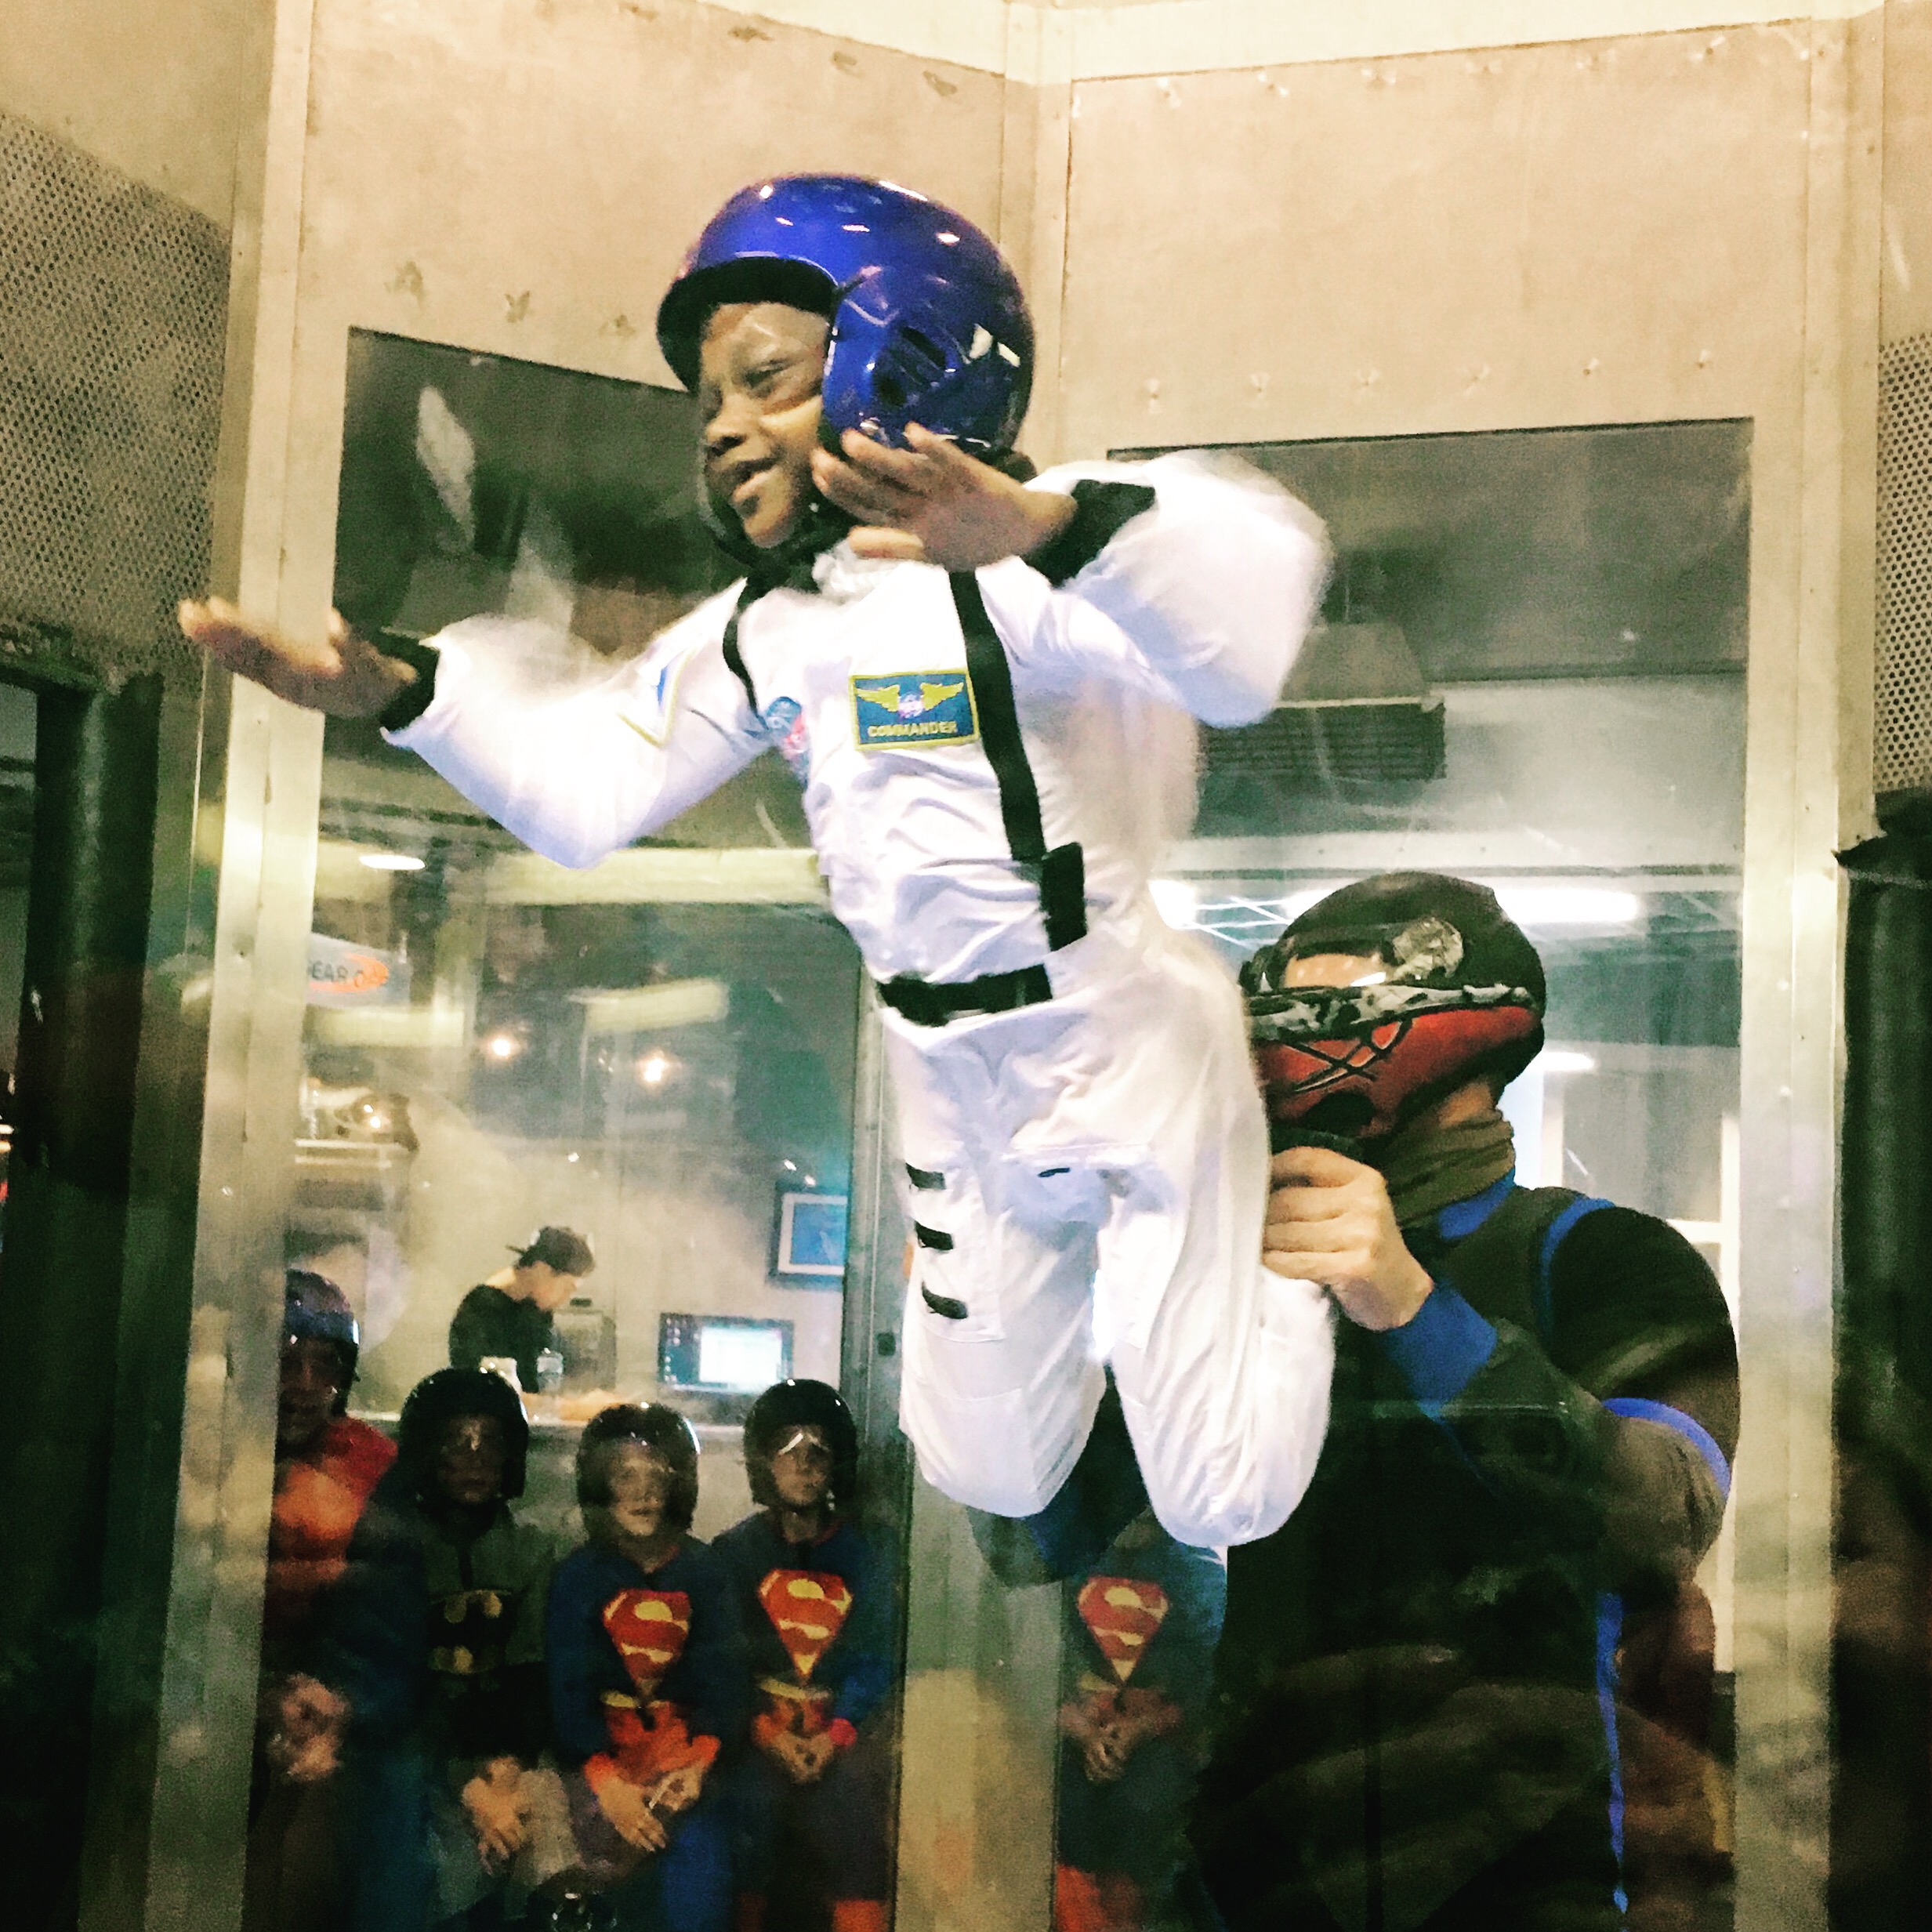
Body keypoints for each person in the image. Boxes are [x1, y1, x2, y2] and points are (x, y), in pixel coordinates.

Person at [179, 172, 1336, 1550]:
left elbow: (1244, 631)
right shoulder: (772, 625)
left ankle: (1295, 1256)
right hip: (945, 1071)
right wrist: (400, 692)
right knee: (993, 1468)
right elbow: (591, 780)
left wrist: (1039, 532)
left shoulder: (1048, 550)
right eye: (709, 401)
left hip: (1119, 1036)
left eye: (765, 378)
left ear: (899, 351)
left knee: (1221, 1491)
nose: (723, 425)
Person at [1181, 872, 1741, 1932]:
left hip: (1535, 1870)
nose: (1290, 1048)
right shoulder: (1238, 1275)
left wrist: (1410, 1306)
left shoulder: (1600, 1255)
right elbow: (1042, 1534)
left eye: (1328, 1014)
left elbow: (1662, 1520)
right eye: (1279, 1016)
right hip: (1261, 1865)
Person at [288, 1368, 571, 1931]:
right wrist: (469, 1787)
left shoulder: (532, 1551)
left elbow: (531, 1674)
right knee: (401, 1813)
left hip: (501, 1747)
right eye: (456, 1442)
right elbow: (385, 1678)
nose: (474, 1460)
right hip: (409, 1738)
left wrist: (504, 1772)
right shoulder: (395, 1540)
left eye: (489, 1442)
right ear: (426, 1452)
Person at [546, 1405, 748, 1932]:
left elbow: (725, 1681)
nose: (643, 1493)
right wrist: (606, 1784)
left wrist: (698, 1764)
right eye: (624, 1476)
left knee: (701, 1876)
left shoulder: (706, 1572)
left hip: (683, 1764)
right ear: (600, 1485)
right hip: (599, 1766)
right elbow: (566, 1691)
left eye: (657, 1476)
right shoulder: (578, 1575)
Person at [243, 1272, 397, 1932]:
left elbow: (393, 1610)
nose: (305, 1383)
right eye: (286, 1360)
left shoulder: (372, 1462)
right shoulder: (202, 1445)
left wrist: (345, 1696)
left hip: (332, 1686)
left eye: (325, 1364)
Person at [712, 1380, 894, 1932]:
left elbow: (876, 1654)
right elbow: (722, 1662)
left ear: (837, 1464)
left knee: (858, 1827)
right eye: (787, 1450)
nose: (804, 1465)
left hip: (840, 1731)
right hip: (760, 1732)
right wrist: (767, 1733)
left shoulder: (864, 1554)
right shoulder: (736, 1552)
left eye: (818, 1450)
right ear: (763, 1462)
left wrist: (836, 1733)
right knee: (747, 1821)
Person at [1053, 1512, 1224, 1932]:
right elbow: (1028, 1672)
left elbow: (1204, 1688)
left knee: (1146, 1800)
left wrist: (1144, 1728)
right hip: (1068, 1743)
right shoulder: (1063, 1560)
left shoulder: (1198, 1577)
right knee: (1062, 1807)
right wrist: (1080, 1727)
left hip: (1156, 1753)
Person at [450, 1226, 596, 1393]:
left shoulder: (535, 1308)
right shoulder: (481, 1311)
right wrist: (575, 1406)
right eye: (567, 1288)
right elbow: (493, 1397)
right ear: (542, 1269)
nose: (565, 1299)